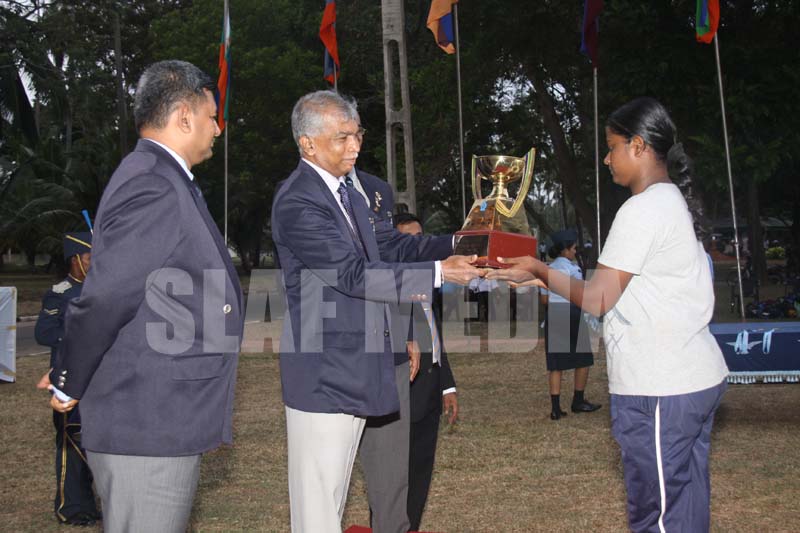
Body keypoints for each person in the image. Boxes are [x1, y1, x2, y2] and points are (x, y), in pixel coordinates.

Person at [486, 97, 728, 532]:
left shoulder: (642, 209)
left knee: (657, 515)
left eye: (612, 146)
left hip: (661, 387)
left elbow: (599, 299)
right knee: (685, 506)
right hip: (691, 378)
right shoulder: (669, 200)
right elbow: (628, 291)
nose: (606, 158)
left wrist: (540, 268)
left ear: (638, 146)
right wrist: (542, 281)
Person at [47, 60, 244, 533]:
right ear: (184, 117)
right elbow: (109, 295)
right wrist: (69, 377)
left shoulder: (164, 177)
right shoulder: (153, 182)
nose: (218, 128)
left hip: (160, 412)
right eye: (212, 116)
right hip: (148, 420)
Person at [271, 90, 480, 533]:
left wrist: (460, 242)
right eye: (342, 137)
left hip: (364, 365)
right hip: (326, 375)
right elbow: (352, 275)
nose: (355, 147)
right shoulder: (298, 201)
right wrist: (439, 273)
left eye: (358, 135)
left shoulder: (349, 194)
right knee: (318, 513)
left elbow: (393, 246)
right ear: (307, 143)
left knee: (372, 495)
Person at [394, 213, 458, 532]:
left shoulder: (427, 284)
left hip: (431, 390)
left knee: (421, 472)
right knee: (394, 477)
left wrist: (447, 386)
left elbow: (435, 335)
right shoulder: (386, 290)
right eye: (409, 239)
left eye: (420, 237)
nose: (418, 245)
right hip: (402, 392)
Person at [34, 232, 100, 527]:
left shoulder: (101, 287)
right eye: (89, 257)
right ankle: (72, 507)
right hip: (67, 378)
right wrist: (78, 337)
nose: (94, 262)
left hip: (96, 378)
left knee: (96, 442)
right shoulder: (60, 292)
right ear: (75, 260)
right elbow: (44, 332)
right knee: (71, 445)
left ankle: (94, 503)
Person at [540, 229, 601, 420]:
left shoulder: (546, 270)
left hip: (554, 315)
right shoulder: (574, 270)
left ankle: (555, 408)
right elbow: (580, 295)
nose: (575, 252)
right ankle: (578, 401)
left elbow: (544, 300)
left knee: (556, 365)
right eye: (573, 248)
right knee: (583, 359)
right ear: (565, 250)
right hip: (572, 314)